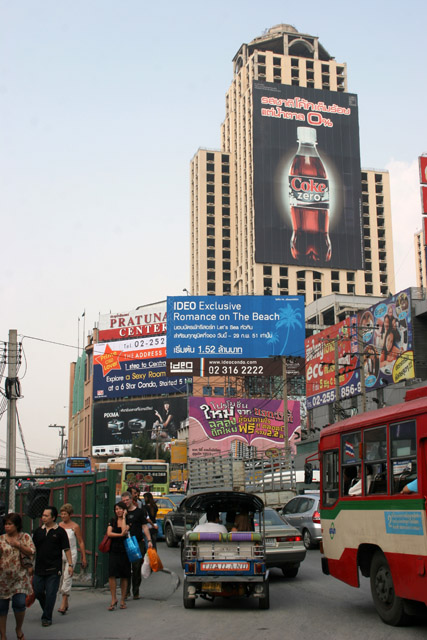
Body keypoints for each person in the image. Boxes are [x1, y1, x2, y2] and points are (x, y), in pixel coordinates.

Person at [33, 506, 73, 627]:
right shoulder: (38, 531)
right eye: (43, 515)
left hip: (54, 568)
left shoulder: (60, 532)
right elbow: (32, 549)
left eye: (46, 516)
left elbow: (67, 549)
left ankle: (47, 617)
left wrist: (70, 565)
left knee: (51, 593)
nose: (43, 518)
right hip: (39, 567)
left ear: (53, 517)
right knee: (38, 591)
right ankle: (47, 608)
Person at [0, 513, 35, 640]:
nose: (7, 527)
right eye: (5, 524)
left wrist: (18, 545)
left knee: (19, 603)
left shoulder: (25, 537)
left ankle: (18, 629)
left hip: (20, 576)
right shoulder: (1, 539)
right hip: (2, 578)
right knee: (2, 607)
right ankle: (3, 635)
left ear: (16, 525)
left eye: (10, 524)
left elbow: (32, 552)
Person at [120, 492, 153, 600]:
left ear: (131, 500)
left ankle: (135, 591)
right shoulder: (121, 513)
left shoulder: (139, 512)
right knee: (125, 568)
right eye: (123, 501)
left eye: (127, 500)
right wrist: (123, 515)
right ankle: (126, 591)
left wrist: (149, 540)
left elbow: (145, 526)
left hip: (137, 542)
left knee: (136, 567)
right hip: (125, 542)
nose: (125, 502)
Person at [57, 503, 87, 615]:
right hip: (60, 553)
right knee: (60, 577)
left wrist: (83, 556)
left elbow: (80, 542)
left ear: (70, 515)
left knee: (67, 576)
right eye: (62, 514)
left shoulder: (75, 527)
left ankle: (64, 602)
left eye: (65, 514)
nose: (63, 516)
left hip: (72, 554)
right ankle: (65, 600)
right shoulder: (59, 525)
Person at [106, 502, 130, 611]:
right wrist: (120, 535)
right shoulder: (112, 520)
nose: (118, 511)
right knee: (112, 575)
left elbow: (125, 530)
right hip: (114, 550)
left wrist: (124, 517)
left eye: (120, 509)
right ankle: (113, 598)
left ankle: (123, 600)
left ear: (124, 510)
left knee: (124, 575)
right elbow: (109, 533)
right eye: (116, 509)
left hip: (125, 550)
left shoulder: (128, 520)